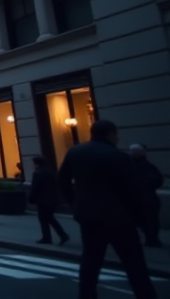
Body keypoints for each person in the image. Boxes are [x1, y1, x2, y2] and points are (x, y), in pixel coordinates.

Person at [58, 119, 157, 299]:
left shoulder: (75, 152)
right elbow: (132, 192)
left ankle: (87, 295)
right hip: (119, 217)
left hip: (89, 217)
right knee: (134, 264)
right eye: (116, 134)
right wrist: (142, 222)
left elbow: (63, 181)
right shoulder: (119, 157)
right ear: (110, 134)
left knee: (90, 261)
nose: (118, 137)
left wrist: (75, 204)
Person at [130, 144, 164, 248]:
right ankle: (150, 238)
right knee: (144, 220)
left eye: (137, 151)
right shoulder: (133, 165)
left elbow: (158, 180)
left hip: (145, 198)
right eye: (133, 151)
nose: (134, 153)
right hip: (141, 197)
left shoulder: (147, 167)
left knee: (149, 220)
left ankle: (151, 238)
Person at [28, 155, 68, 245]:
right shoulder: (50, 172)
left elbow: (35, 188)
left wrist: (31, 198)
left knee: (44, 219)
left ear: (37, 164)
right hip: (52, 198)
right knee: (49, 218)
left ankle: (50, 237)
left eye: (33, 163)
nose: (32, 165)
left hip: (42, 200)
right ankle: (59, 235)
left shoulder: (37, 173)